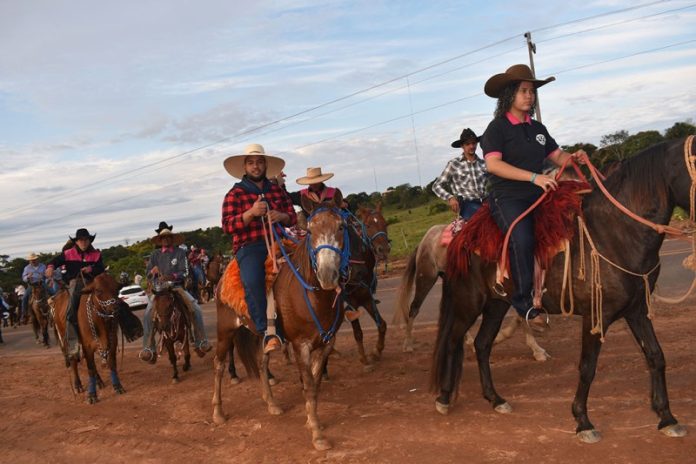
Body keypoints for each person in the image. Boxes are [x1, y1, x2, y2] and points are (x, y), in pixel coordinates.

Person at [480, 64, 586, 332]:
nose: (529, 96)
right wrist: (533, 177)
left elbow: (557, 156)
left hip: (538, 194)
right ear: (509, 95)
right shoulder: (497, 128)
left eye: (532, 91)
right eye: (523, 91)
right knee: (523, 239)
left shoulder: (538, 128)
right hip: (507, 198)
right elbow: (493, 165)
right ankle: (524, 302)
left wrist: (574, 158)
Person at [221, 143, 296, 352]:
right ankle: (267, 330)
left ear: (265, 165)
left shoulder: (276, 191)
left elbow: (292, 216)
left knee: (312, 261)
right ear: (245, 167)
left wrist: (281, 216)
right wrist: (250, 213)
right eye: (251, 163)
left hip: (280, 242)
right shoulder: (234, 194)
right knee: (253, 280)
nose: (256, 166)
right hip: (250, 246)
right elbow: (227, 226)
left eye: (260, 162)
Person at [139, 222, 212, 362]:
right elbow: (147, 274)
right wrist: (152, 272)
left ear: (172, 239)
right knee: (148, 314)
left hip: (176, 288)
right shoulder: (154, 255)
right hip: (159, 291)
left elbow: (185, 272)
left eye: (168, 237)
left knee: (196, 309)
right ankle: (149, 348)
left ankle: (201, 341)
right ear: (160, 240)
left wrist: (171, 276)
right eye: (163, 237)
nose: (166, 239)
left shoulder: (180, 253)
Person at [46, 228, 105, 356]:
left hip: (94, 282)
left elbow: (101, 267)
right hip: (76, 283)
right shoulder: (68, 253)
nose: (83, 242)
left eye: (86, 240)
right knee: (71, 310)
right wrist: (50, 267)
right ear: (76, 242)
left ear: (89, 241)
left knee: (112, 300)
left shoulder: (96, 254)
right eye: (81, 240)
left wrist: (91, 269)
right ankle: (73, 344)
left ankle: (130, 328)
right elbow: (54, 262)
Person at [432, 128, 488, 220]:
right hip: (466, 203)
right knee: (482, 216)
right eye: (467, 144)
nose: (471, 146)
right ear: (462, 146)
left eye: (473, 143)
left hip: (485, 201)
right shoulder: (454, 164)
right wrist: (450, 198)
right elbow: (436, 186)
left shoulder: (483, 164)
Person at [21, 253, 47, 322]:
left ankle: (56, 310)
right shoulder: (27, 268)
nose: (33, 261)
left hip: (42, 284)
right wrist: (28, 277)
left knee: (53, 292)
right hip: (32, 285)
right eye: (31, 260)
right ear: (29, 261)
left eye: (34, 259)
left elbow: (47, 275)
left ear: (37, 259)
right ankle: (24, 315)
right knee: (24, 298)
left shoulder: (43, 266)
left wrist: (44, 275)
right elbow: (23, 278)